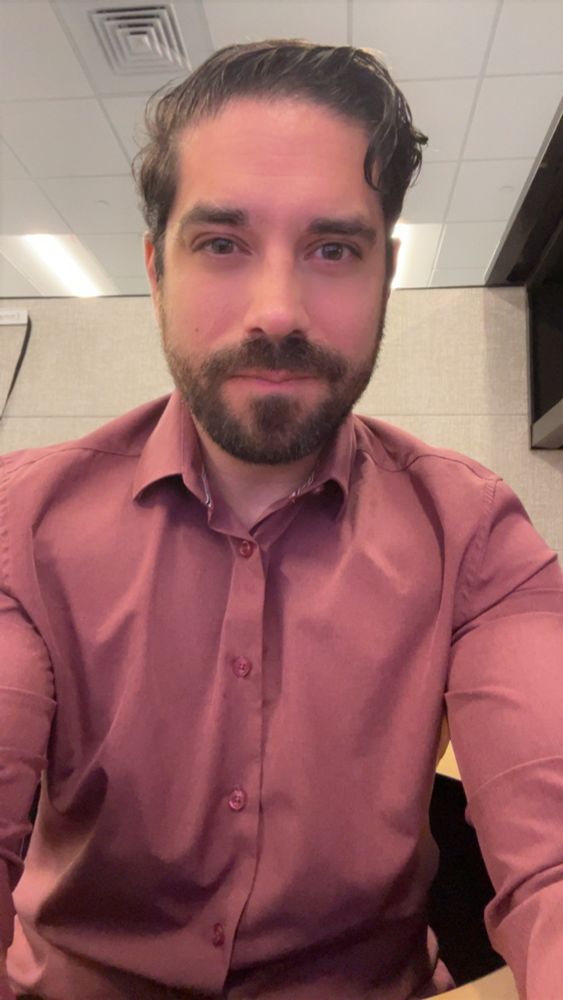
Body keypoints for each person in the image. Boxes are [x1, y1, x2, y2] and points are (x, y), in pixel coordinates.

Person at [0, 38, 561, 1000]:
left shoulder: (475, 538)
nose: (275, 311)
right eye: (221, 243)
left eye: (332, 249)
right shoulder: (19, 524)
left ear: (385, 271)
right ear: (156, 268)